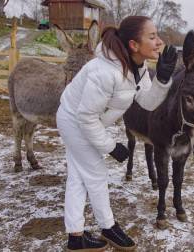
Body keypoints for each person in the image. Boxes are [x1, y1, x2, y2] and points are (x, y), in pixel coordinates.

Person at [56, 16, 177, 251]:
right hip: (74, 121)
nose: (159, 41)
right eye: (152, 37)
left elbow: (149, 103)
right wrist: (110, 146)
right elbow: (85, 117)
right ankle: (108, 227)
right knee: (96, 174)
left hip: (87, 121)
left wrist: (162, 80)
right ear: (134, 44)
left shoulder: (138, 68)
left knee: (78, 177)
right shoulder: (104, 72)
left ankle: (75, 236)